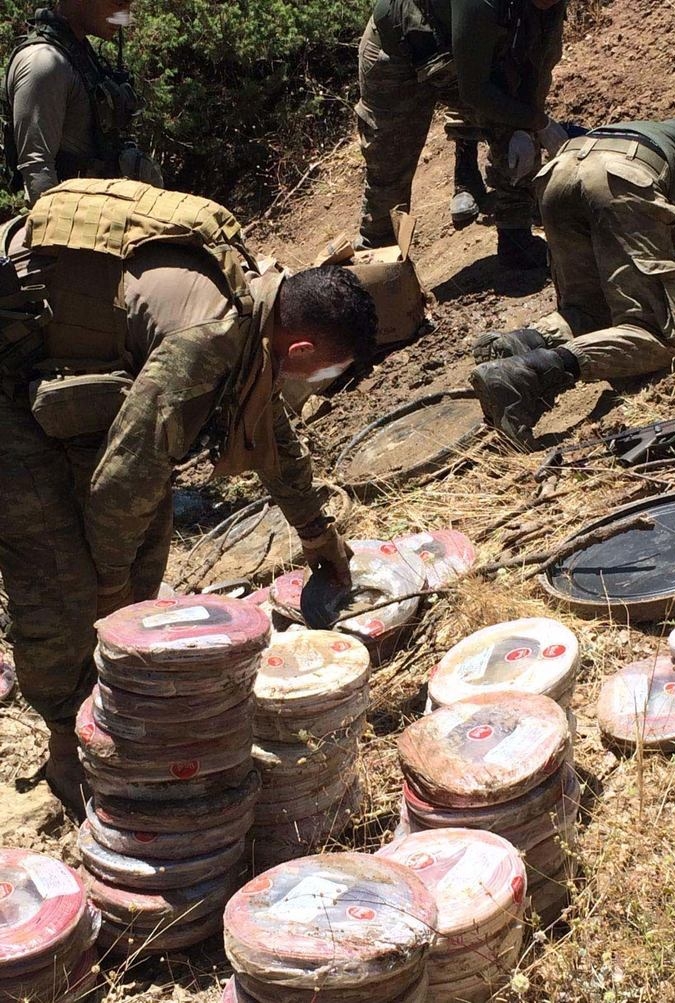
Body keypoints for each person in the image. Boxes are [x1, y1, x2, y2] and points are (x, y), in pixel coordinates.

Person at [0, 178, 377, 814]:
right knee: (57, 572)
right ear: (304, 346)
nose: (320, 381)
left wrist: (319, 533)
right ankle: (67, 742)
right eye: (326, 371)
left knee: (137, 545)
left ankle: (110, 693)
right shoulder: (208, 336)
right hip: (7, 380)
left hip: (60, 364)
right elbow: (123, 481)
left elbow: (270, 435)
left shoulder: (258, 306)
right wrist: (109, 594)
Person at [470, 116, 675, 446]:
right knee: (657, 334)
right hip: (623, 180)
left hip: (563, 167)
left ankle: (522, 342)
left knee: (593, 312)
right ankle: (529, 376)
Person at [355, 0, 568, 268]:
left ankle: (516, 236)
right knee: (390, 164)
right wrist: (539, 123)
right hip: (397, 49)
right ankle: (377, 270)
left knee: (513, 120)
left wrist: (526, 125)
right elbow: (476, 91)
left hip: (464, 48)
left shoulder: (550, 5)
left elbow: (535, 64)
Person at [3, 0, 161, 206]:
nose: (125, 17)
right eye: (118, 4)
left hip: (99, 212)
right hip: (73, 222)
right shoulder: (43, 62)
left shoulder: (79, 53)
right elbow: (36, 167)